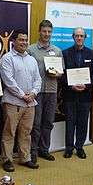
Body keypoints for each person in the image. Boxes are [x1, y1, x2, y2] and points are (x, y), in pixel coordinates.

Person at [0, 29, 42, 172]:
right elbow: (8, 81)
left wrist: (34, 93)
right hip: (13, 102)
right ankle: (7, 160)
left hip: (30, 103)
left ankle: (25, 158)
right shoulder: (7, 58)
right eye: (21, 40)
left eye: (25, 40)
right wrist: (23, 95)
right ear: (14, 42)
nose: (24, 42)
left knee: (26, 132)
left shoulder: (31, 59)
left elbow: (38, 79)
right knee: (9, 132)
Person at [28, 20, 63, 163]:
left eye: (49, 31)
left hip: (52, 91)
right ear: (39, 31)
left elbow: (61, 72)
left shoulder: (57, 50)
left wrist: (57, 74)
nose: (46, 34)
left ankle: (44, 149)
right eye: (44, 31)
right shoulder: (31, 50)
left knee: (48, 122)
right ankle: (33, 151)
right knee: (35, 123)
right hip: (36, 92)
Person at [62, 27, 93, 159]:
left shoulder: (92, 54)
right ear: (73, 37)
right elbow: (62, 74)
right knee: (70, 122)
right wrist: (71, 85)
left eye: (81, 36)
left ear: (85, 38)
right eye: (77, 36)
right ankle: (69, 148)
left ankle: (80, 147)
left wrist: (86, 85)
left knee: (83, 122)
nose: (79, 38)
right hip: (70, 94)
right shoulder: (65, 53)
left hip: (85, 95)